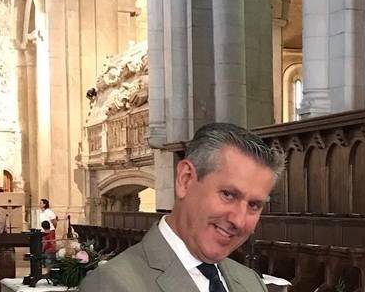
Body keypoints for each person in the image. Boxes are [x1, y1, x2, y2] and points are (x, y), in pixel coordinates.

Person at [81, 122, 284, 292]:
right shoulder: (111, 285)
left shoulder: (252, 283)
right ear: (185, 180)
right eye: (228, 194)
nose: (239, 220)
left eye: (254, 205)